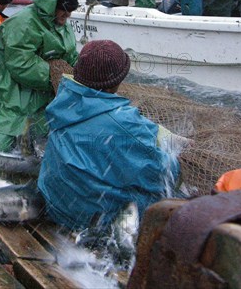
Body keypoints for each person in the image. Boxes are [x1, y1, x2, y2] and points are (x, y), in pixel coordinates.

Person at [37, 40, 179, 231]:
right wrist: (176, 160)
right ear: (117, 81)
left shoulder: (63, 100)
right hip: (93, 223)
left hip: (58, 206)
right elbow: (163, 173)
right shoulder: (125, 124)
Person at [0, 0, 79, 152]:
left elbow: (71, 54)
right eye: (65, 12)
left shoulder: (61, 24)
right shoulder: (22, 23)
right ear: (52, 6)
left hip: (43, 90)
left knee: (46, 133)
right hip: (10, 89)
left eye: (70, 13)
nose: (67, 17)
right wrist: (55, 76)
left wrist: (80, 70)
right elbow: (21, 64)